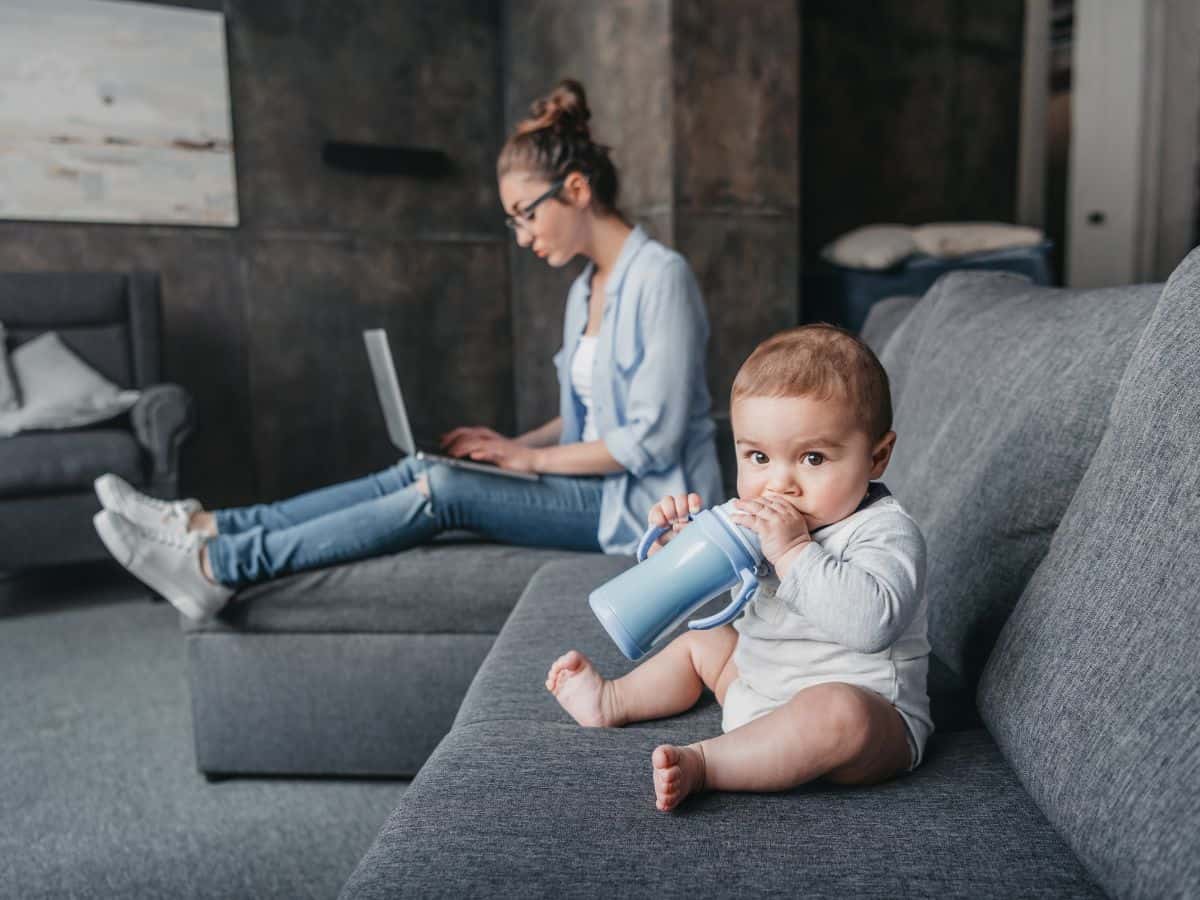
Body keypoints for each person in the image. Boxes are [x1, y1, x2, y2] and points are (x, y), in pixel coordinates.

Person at [92, 79, 722, 622]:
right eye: (515, 222)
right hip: (595, 486)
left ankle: (215, 567)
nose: (523, 235)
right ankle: (205, 527)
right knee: (416, 470)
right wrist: (513, 446)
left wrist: (531, 464)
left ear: (577, 189)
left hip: (646, 508)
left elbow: (650, 441)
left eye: (525, 215)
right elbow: (590, 417)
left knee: (438, 489)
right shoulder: (585, 286)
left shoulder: (660, 277)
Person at [546, 324, 932, 811]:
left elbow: (871, 625)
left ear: (877, 456)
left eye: (812, 458)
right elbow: (703, 585)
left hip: (868, 723)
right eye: (758, 457)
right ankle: (612, 701)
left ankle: (708, 764)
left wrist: (793, 552)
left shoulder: (885, 532)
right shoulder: (755, 518)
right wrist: (675, 542)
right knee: (703, 645)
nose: (779, 484)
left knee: (840, 712)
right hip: (756, 691)